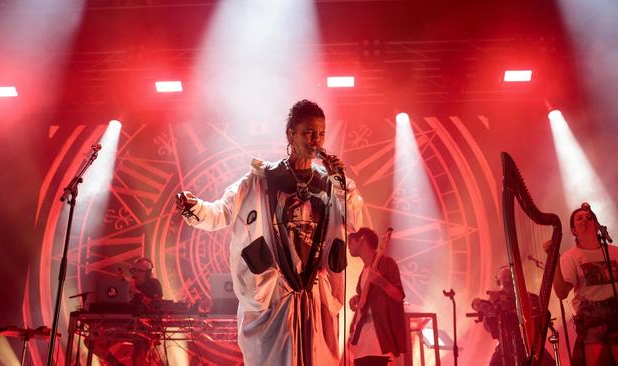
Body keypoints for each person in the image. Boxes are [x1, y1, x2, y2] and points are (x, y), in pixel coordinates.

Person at [175, 99, 363, 366]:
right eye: (309, 132)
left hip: (315, 292)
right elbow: (222, 212)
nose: (317, 140)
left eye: (321, 133)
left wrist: (342, 184)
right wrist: (194, 207)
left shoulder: (330, 182)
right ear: (291, 134)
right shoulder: (262, 179)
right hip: (276, 292)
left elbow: (355, 219)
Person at [545, 205, 618, 365]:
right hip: (592, 320)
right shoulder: (571, 257)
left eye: (589, 217)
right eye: (579, 218)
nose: (585, 219)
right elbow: (562, 293)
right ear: (573, 230)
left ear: (596, 224)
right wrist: (554, 261)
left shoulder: (615, 252)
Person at [471, 266, 555, 366]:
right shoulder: (494, 299)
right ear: (499, 282)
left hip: (529, 344)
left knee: (548, 363)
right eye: (504, 278)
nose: (508, 280)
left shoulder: (530, 297)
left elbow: (541, 317)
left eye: (510, 277)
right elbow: (488, 327)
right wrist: (485, 310)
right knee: (494, 363)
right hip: (505, 346)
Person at [347, 227, 406, 366]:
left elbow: (398, 296)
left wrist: (381, 282)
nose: (348, 247)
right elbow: (366, 300)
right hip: (361, 344)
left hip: (378, 345)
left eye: (350, 242)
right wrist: (357, 298)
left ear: (361, 240)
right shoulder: (364, 271)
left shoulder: (386, 263)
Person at [91, 257, 163, 366]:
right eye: (133, 270)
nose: (134, 273)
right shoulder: (128, 284)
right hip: (126, 326)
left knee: (138, 360)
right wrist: (121, 285)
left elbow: (156, 305)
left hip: (144, 329)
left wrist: (136, 293)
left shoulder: (154, 284)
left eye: (139, 271)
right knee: (92, 342)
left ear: (148, 273)